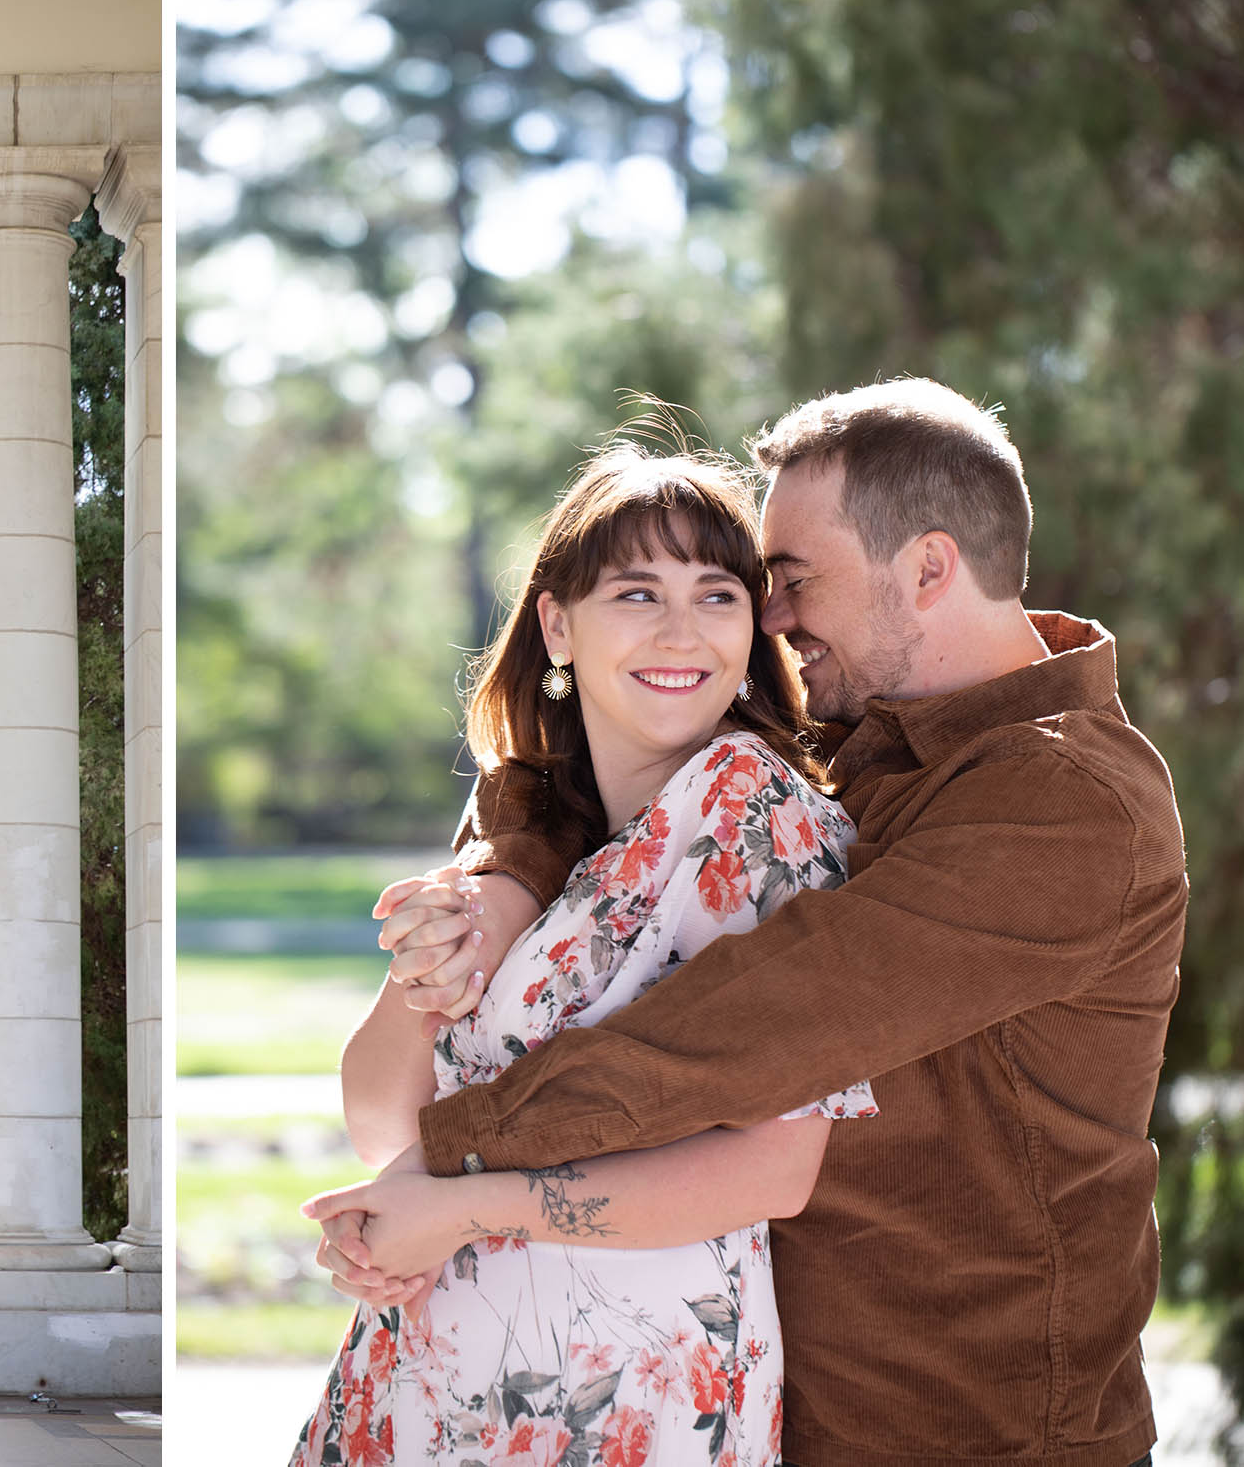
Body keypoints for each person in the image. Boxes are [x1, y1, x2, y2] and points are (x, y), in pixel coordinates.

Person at [334, 380, 1186, 1467]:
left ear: (926, 569)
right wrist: (506, 869)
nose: (770, 618)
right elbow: (621, 810)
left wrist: (451, 1171)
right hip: (789, 1413)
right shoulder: (868, 752)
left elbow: (751, 1024)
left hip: (973, 1430)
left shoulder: (1063, 803)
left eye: (787, 581)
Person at [291, 444, 877, 1467]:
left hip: (630, 1398)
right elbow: (383, 1125)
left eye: (716, 594)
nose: (679, 630)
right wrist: (424, 969)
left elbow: (773, 1169)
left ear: (752, 627)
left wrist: (458, 1210)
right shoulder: (532, 834)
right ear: (556, 622)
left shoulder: (748, 809)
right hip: (431, 1380)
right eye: (635, 592)